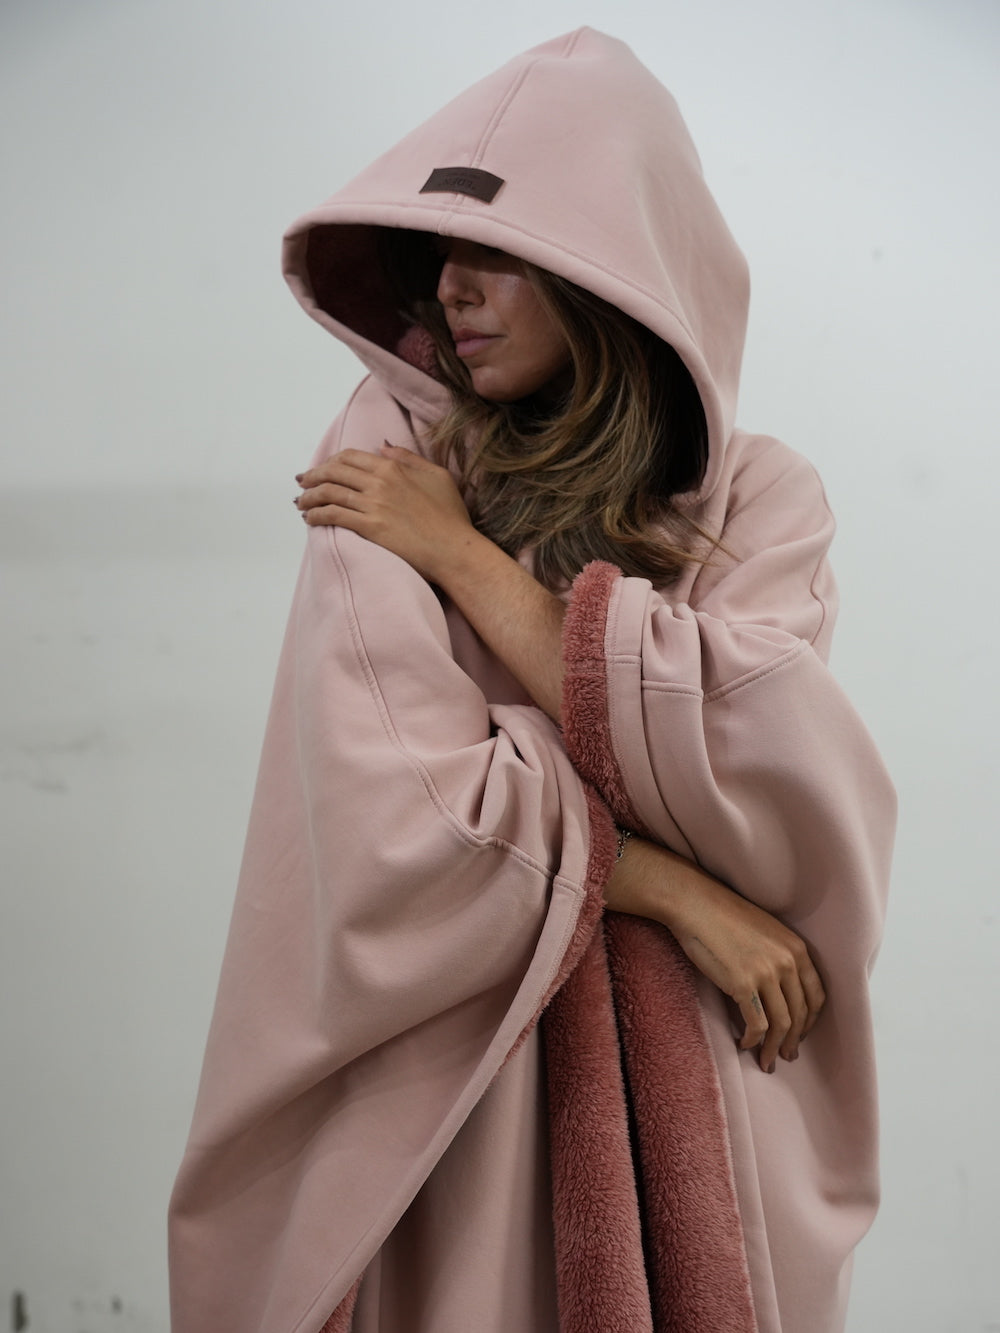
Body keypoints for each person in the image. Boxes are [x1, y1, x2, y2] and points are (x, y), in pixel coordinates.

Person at [168, 28, 895, 1333]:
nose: (452, 288)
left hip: (709, 1100)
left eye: (501, 253)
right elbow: (410, 810)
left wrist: (460, 558)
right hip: (461, 1099)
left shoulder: (761, 501)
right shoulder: (391, 451)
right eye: (436, 253)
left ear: (612, 272)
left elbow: (759, 781)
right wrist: (675, 886)